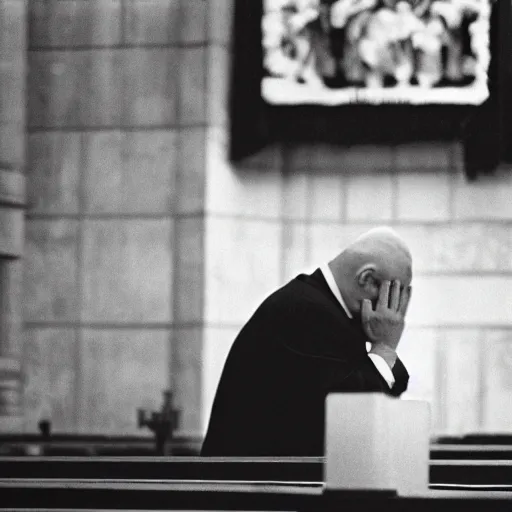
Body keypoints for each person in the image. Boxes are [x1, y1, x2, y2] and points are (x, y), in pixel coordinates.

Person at [201, 227, 413, 457]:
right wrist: (385, 349)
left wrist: (384, 350)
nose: (394, 313)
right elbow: (353, 417)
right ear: (367, 279)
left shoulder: (317, 306)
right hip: (247, 486)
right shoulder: (308, 313)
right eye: (392, 298)